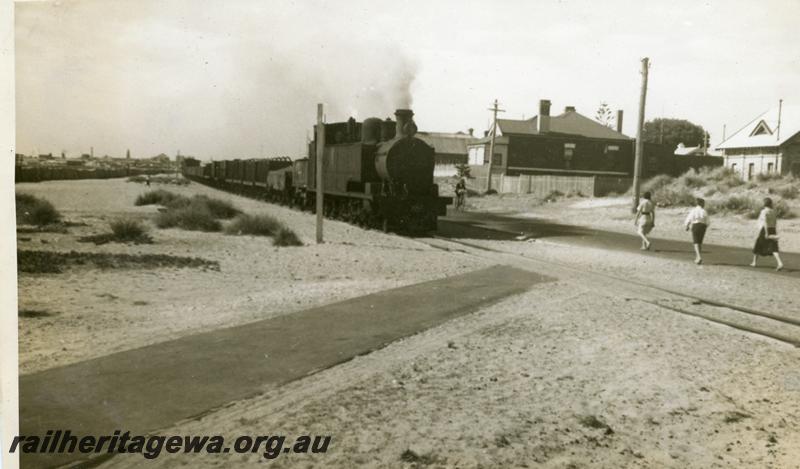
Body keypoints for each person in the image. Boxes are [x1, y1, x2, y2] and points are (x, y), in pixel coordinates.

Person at [751, 197, 784, 271]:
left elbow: (765, 222)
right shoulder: (773, 211)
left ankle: (754, 262)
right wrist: (775, 231)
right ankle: (779, 263)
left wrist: (766, 232)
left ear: (764, 203)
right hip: (773, 229)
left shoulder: (764, 211)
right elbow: (775, 221)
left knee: (758, 244)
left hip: (766, 229)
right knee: (773, 246)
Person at [684, 198, 710, 264]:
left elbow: (689, 219)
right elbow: (708, 222)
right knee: (700, 242)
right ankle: (698, 257)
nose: (704, 204)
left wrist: (687, 226)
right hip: (703, 226)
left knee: (696, 242)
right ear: (701, 203)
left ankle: (698, 257)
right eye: (703, 203)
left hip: (695, 225)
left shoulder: (693, 210)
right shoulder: (704, 211)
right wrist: (705, 226)